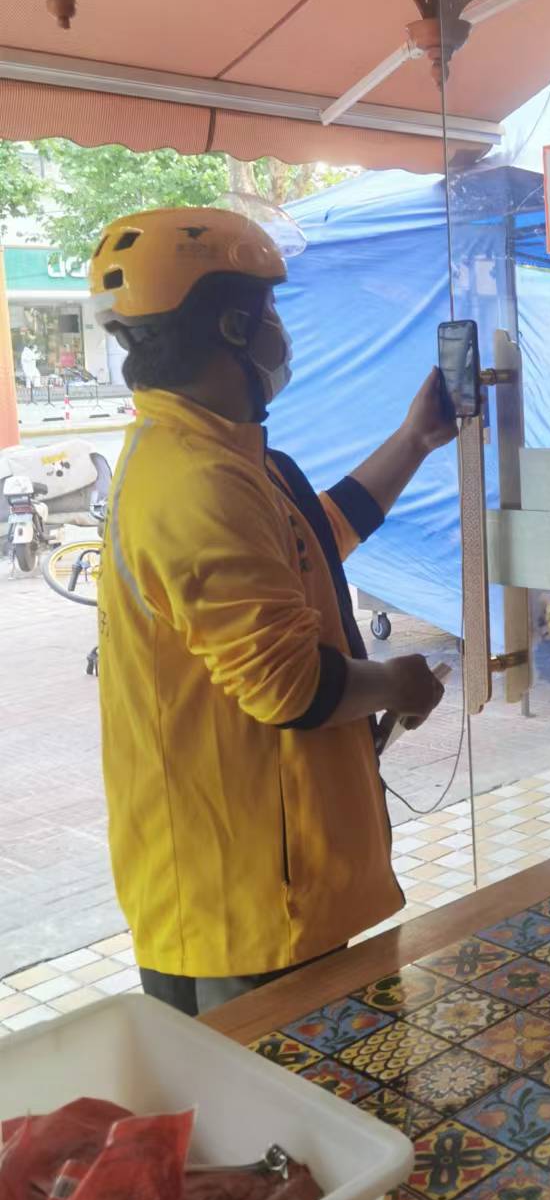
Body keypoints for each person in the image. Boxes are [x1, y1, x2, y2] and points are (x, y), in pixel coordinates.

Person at [89, 205, 456, 1015]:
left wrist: (415, 441)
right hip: (242, 908)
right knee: (302, 1134)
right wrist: (399, 683)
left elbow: (310, 543)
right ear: (231, 328)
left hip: (281, 886)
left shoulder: (211, 455)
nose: (282, 335)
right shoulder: (196, 483)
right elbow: (290, 688)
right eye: (272, 314)